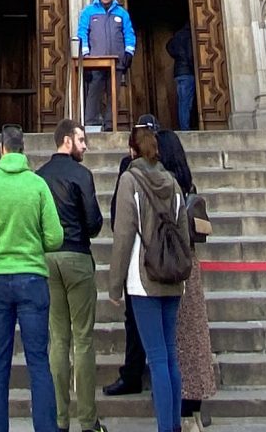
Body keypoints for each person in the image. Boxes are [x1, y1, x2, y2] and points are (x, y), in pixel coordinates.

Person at [0, 125, 65, 432]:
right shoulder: (37, 185)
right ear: (23, 150)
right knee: (38, 361)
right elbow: (56, 237)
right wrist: (34, 247)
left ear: (1, 148)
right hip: (32, 277)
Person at [102, 118, 192, 401]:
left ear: (133, 149)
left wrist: (115, 285)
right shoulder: (175, 182)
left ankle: (165, 420)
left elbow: (123, 232)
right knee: (169, 354)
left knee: (157, 355)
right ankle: (174, 421)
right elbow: (183, 233)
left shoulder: (130, 179)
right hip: (173, 271)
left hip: (143, 274)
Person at [36, 119, 105, 432]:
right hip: (77, 255)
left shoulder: (39, 178)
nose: (85, 145)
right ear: (66, 140)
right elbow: (93, 222)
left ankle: (60, 420)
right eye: (81, 139)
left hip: (48, 259)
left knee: (58, 340)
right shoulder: (82, 175)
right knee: (83, 340)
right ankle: (88, 421)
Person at [74, 0, 134, 129]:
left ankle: (109, 123)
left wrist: (129, 52)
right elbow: (82, 32)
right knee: (94, 90)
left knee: (113, 91)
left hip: (117, 59)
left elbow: (129, 33)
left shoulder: (121, 13)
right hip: (95, 60)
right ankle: (90, 121)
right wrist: (85, 54)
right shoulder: (88, 12)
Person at [167, 20, 197, 133]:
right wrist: (193, 67)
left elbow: (169, 46)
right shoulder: (189, 36)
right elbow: (189, 54)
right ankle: (185, 128)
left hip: (178, 73)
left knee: (182, 101)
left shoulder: (178, 35)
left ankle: (184, 126)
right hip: (187, 72)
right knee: (186, 102)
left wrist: (178, 57)